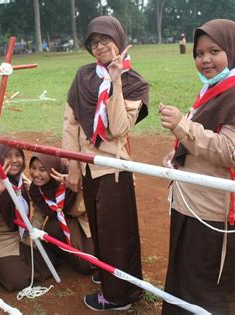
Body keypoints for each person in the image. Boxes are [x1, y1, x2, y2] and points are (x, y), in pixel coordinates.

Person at [159, 19, 235, 314]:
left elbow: (230, 152)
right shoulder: (219, 88)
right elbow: (207, 140)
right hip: (196, 206)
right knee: (184, 284)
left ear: (233, 50)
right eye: (199, 53)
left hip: (220, 216)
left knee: (209, 294)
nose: (205, 60)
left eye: (214, 51)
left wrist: (183, 127)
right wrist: (178, 160)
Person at [63, 16, 149, 311]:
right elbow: (70, 122)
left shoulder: (135, 82)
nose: (99, 47)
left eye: (105, 40)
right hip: (87, 165)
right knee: (99, 228)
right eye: (93, 43)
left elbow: (118, 128)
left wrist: (115, 81)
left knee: (116, 233)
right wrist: (73, 165)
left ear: (119, 40)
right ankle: (107, 273)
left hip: (113, 168)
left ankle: (119, 295)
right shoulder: (83, 76)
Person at [0, 145, 54, 291]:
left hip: (19, 236)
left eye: (18, 155)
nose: (14, 160)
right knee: (18, 281)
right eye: (7, 156)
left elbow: (39, 205)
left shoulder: (22, 182)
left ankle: (13, 263)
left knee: (50, 264)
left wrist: (33, 231)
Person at [28, 153, 94, 274]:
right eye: (33, 167)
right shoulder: (35, 189)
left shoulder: (72, 178)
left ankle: (76, 253)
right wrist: (32, 232)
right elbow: (39, 210)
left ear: (54, 168)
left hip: (82, 220)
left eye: (42, 169)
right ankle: (67, 254)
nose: (36, 174)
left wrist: (79, 185)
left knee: (88, 265)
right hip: (61, 223)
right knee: (52, 228)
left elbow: (90, 202)